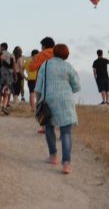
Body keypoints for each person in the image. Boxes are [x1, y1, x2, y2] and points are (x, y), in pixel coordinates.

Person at [34, 43, 81, 174]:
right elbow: (77, 87)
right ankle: (66, 164)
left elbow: (38, 86)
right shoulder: (68, 66)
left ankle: (53, 156)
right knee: (66, 132)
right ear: (66, 54)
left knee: (49, 127)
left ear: (54, 52)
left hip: (49, 100)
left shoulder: (46, 64)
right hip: (66, 101)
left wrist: (38, 102)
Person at [28, 37, 56, 133]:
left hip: (42, 82)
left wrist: (35, 59)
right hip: (57, 82)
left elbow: (31, 68)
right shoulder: (58, 53)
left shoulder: (42, 54)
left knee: (41, 103)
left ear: (44, 46)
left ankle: (44, 127)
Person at [0, 42, 14, 116]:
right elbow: (13, 65)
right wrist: (14, 74)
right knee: (6, 91)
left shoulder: (1, 54)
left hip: (2, 73)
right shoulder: (11, 55)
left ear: (2, 47)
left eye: (0, 47)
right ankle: (4, 106)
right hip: (9, 74)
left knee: (0, 93)